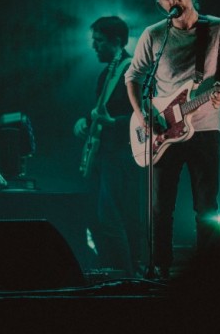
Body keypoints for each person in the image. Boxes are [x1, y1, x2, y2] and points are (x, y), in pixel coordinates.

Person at [124, 0, 220, 279]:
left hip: (205, 128)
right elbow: (133, 77)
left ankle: (208, 270)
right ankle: (159, 267)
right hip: (162, 131)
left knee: (206, 206)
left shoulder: (218, 28)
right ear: (160, 4)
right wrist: (144, 115)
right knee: (160, 207)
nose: (172, 0)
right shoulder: (154, 35)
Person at [73, 16, 142, 277]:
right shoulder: (108, 73)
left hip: (121, 154)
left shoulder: (133, 71)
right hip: (103, 153)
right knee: (95, 217)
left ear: (116, 41)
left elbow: (145, 117)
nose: (94, 46)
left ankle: (126, 275)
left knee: (111, 218)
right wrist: (84, 120)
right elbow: (100, 109)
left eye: (99, 41)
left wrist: (113, 123)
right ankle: (109, 271)